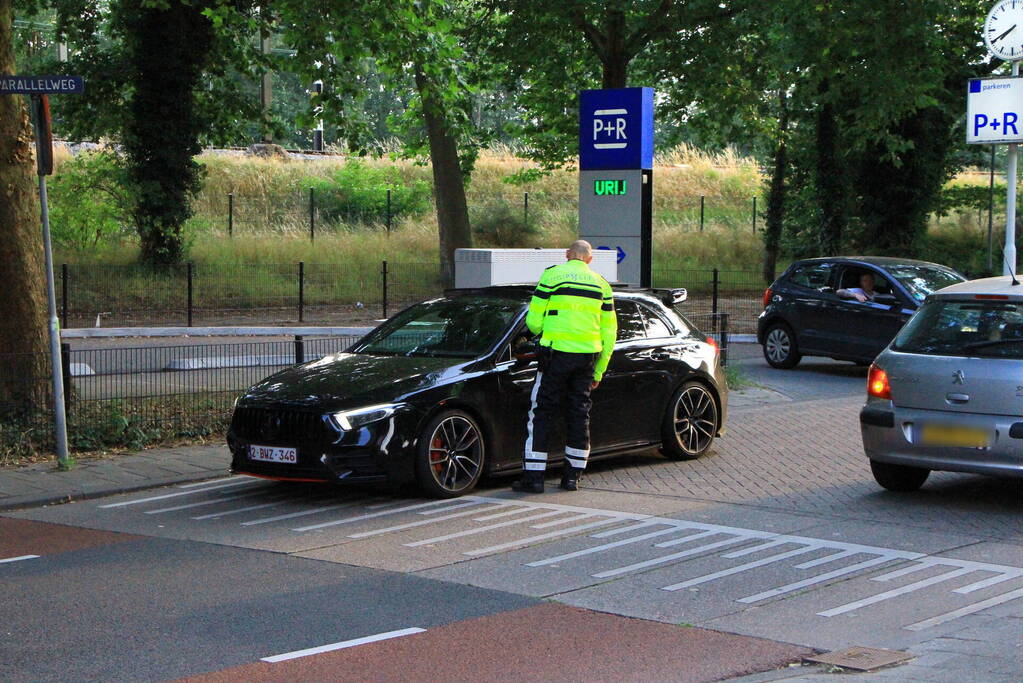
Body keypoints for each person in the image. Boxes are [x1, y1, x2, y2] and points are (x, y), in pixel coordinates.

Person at [511, 240, 617, 494]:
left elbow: (534, 321)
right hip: (586, 358)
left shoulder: (552, 276)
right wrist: (599, 370)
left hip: (555, 356)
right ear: (590, 260)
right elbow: (609, 332)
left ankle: (534, 478)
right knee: (579, 413)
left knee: (542, 411)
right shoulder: (602, 284)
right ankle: (572, 477)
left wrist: (545, 330)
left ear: (567, 255)